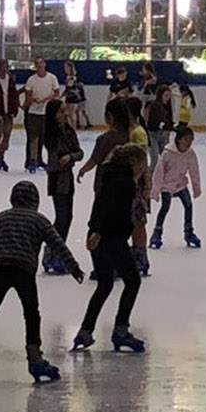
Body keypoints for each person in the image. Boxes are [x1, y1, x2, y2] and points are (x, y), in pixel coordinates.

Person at [0, 179, 84, 384]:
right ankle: (34, 357)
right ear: (36, 201)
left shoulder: (3, 217)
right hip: (24, 270)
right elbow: (57, 244)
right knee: (31, 314)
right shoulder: (40, 220)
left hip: (1, 268)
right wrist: (73, 267)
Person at [75, 143, 150, 353]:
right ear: (133, 162)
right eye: (143, 164)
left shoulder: (110, 177)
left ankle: (85, 330)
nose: (144, 169)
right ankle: (120, 330)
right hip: (110, 238)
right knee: (132, 280)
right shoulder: (125, 182)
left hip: (99, 235)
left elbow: (100, 205)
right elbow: (110, 208)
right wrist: (99, 232)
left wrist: (94, 231)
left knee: (105, 284)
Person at [41, 99, 84, 274]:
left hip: (68, 177)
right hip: (57, 178)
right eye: (61, 111)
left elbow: (79, 152)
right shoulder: (50, 134)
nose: (65, 113)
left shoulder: (68, 131)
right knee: (62, 217)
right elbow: (55, 158)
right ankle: (53, 252)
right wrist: (67, 158)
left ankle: (57, 252)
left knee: (68, 217)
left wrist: (70, 157)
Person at [150, 125, 204, 248]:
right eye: (186, 139)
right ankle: (157, 233)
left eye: (191, 139)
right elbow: (159, 172)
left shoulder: (190, 153)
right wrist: (156, 190)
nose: (189, 142)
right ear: (179, 139)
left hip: (180, 184)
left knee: (188, 205)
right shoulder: (167, 153)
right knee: (165, 207)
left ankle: (189, 232)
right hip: (166, 185)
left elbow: (194, 170)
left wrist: (196, 188)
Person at [21, 57, 62, 172]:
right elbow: (28, 94)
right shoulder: (31, 80)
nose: (39, 66)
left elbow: (56, 93)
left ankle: (47, 160)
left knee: (47, 139)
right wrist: (33, 99)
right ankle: (32, 161)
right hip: (34, 113)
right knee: (33, 138)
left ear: (45, 64)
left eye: (41, 63)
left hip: (48, 113)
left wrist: (46, 99)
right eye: (37, 64)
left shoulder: (52, 78)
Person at [63, 60, 90, 129]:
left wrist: (63, 94)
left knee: (72, 113)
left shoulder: (71, 77)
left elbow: (69, 86)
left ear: (69, 68)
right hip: (71, 96)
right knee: (68, 113)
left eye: (66, 67)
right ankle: (71, 127)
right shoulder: (69, 76)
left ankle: (73, 128)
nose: (65, 69)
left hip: (73, 97)